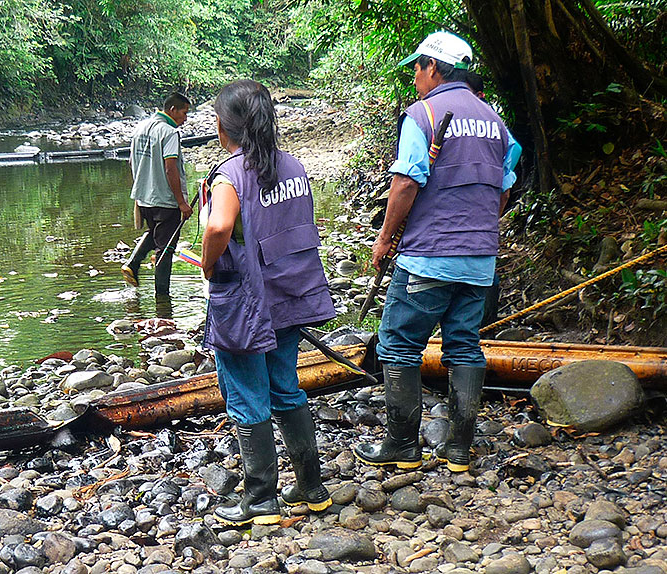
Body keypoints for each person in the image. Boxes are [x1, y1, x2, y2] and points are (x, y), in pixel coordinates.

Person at [352, 32, 522, 473]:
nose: (414, 76)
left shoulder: (423, 114)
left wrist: (385, 238)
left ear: (433, 67)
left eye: (417, 67)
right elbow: (504, 190)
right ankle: (459, 450)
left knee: (398, 345)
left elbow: (406, 181)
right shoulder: (495, 121)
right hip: (480, 259)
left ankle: (402, 445)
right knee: (464, 346)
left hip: (428, 257)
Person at [201, 80, 337, 526]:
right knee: (285, 387)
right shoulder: (293, 166)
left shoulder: (230, 174)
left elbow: (219, 226)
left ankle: (260, 499)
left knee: (246, 394)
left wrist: (207, 263)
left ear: (222, 126)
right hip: (290, 294)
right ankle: (312, 488)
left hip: (245, 300)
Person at [122, 93, 192, 303]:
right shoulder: (169, 132)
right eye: (184, 113)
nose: (185, 118)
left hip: (144, 198)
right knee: (166, 248)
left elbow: (131, 162)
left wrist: (140, 187)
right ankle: (162, 298)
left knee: (156, 234)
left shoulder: (141, 128)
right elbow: (170, 168)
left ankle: (133, 264)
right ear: (172, 110)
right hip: (165, 200)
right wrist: (182, 202)